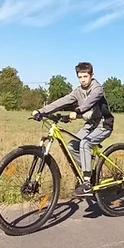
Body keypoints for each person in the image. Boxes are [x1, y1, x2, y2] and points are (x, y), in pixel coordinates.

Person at [32, 62, 114, 197]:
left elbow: (90, 102)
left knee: (85, 143)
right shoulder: (78, 91)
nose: (82, 79)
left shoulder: (97, 88)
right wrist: (41, 111)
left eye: (85, 76)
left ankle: (87, 182)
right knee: (72, 146)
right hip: (90, 125)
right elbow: (62, 101)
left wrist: (78, 111)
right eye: (80, 77)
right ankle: (90, 171)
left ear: (91, 75)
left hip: (103, 124)